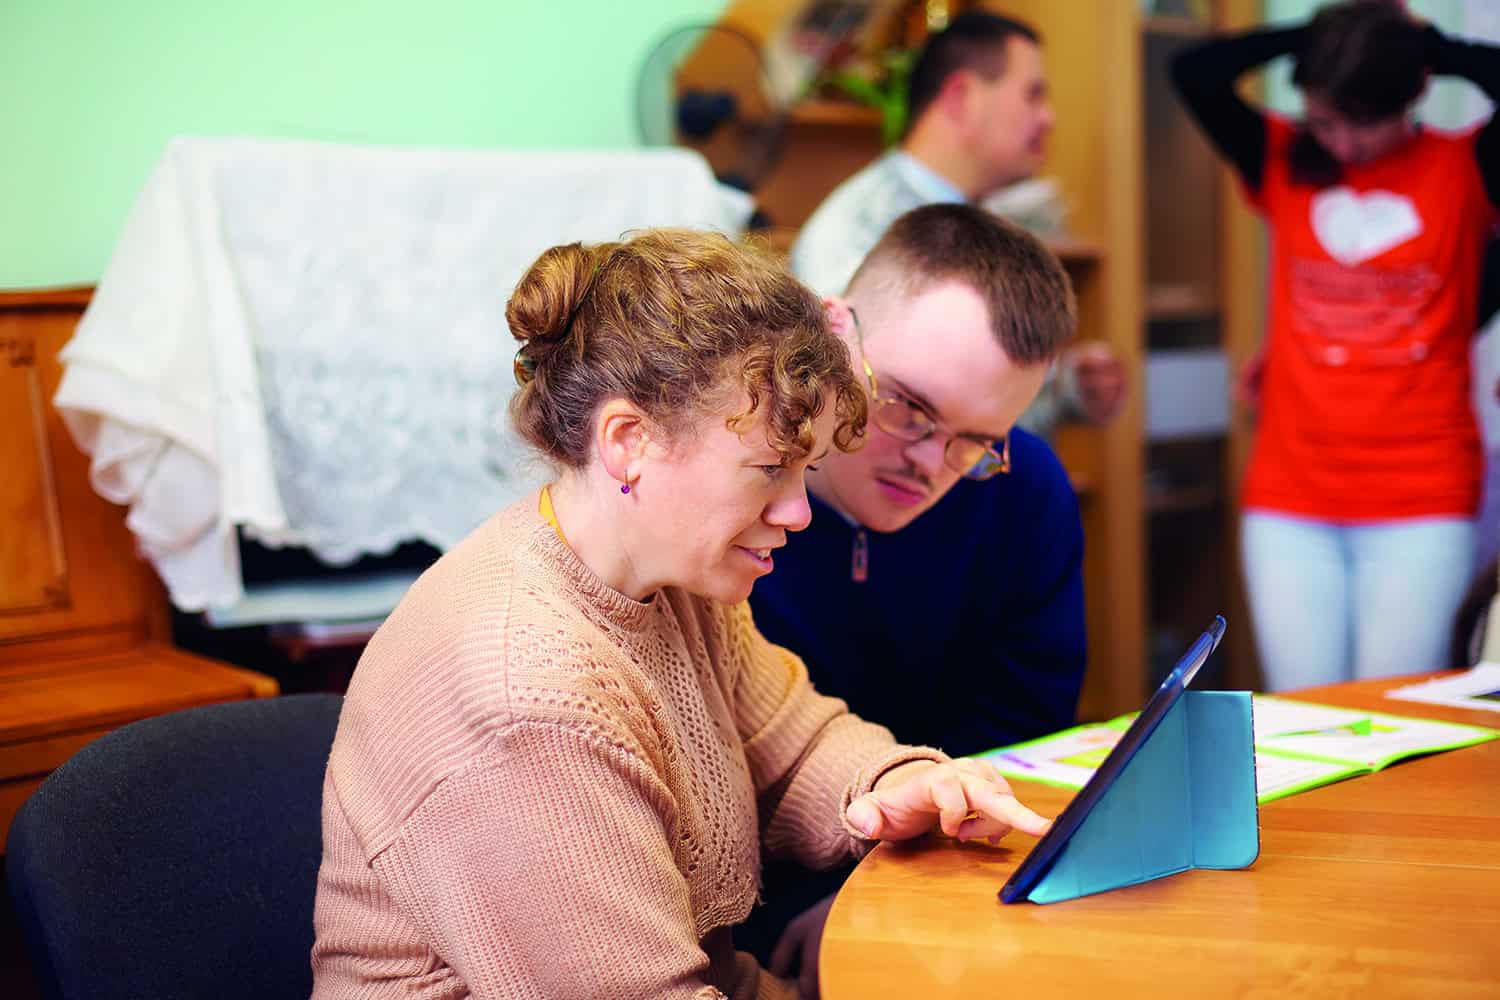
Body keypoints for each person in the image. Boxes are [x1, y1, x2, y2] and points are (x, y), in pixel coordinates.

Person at [308, 228, 1052, 1000]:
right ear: (629, 441)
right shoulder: (527, 698)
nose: (798, 513)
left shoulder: (676, 582)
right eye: (769, 470)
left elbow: (795, 744)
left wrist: (896, 782)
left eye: (807, 470)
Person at [742, 204, 1084, 993]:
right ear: (834, 332)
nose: (931, 462)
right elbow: (721, 778)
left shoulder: (1025, 488)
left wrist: (885, 892)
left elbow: (1021, 738)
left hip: (943, 877)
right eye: (906, 407)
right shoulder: (724, 499)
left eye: (976, 440)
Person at [1171, 0, 1500, 690]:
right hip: (1290, 499)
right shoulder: (1285, 156)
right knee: (1303, 710)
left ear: (1412, 95)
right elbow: (1195, 70)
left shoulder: (1465, 166)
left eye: (1365, 123)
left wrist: (1424, 48)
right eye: (1326, 119)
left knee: (1395, 717)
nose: (1344, 144)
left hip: (1423, 498)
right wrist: (1324, 36)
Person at [791, 10, 1124, 437]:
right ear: (961, 96)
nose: (1049, 119)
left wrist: (1066, 388)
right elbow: (864, 415)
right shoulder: (860, 229)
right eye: (1033, 95)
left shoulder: (984, 223)